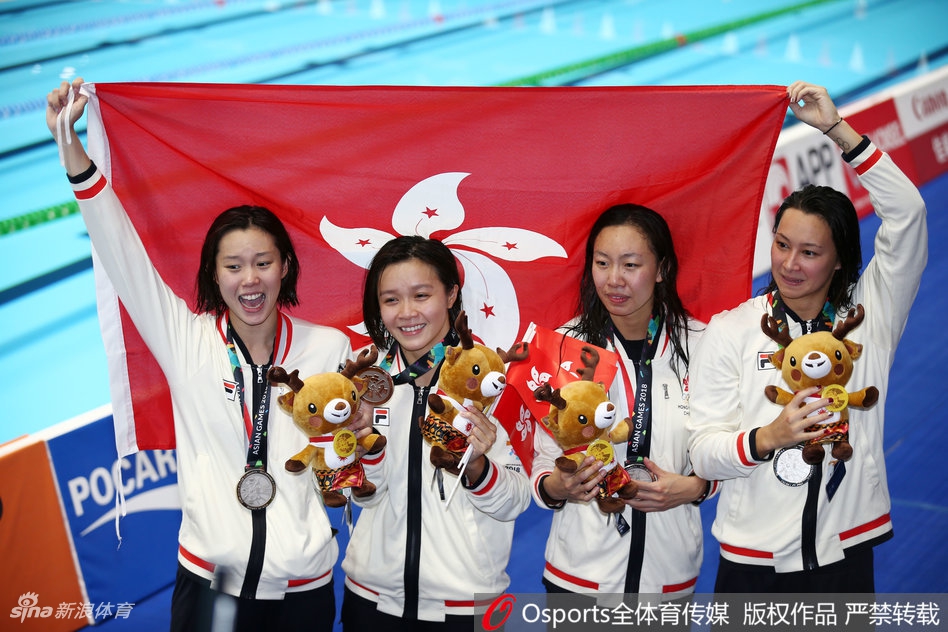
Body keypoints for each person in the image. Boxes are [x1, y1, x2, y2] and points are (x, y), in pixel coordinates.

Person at [47, 79, 358, 631]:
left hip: (304, 590)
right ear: (214, 276)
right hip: (213, 586)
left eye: (263, 262)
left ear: (286, 266)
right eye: (233, 266)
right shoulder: (186, 339)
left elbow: (343, 455)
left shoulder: (327, 348)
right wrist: (71, 149)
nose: (250, 279)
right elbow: (123, 253)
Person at [687, 81, 928, 593]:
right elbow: (703, 451)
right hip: (752, 563)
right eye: (781, 245)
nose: (789, 265)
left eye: (810, 253)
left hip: (846, 555)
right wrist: (767, 438)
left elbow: (908, 214)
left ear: (839, 258)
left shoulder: (870, 314)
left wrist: (837, 131)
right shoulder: (732, 329)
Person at [340, 235, 531, 630]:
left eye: (421, 295)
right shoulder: (367, 386)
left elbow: (515, 501)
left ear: (451, 294)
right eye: (391, 300)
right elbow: (363, 497)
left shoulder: (495, 381)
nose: (406, 313)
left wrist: (477, 468)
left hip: (464, 608)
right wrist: (366, 445)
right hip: (372, 603)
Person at [531, 204, 714, 602]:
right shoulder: (566, 348)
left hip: (669, 576)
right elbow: (543, 462)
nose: (614, 280)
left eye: (631, 265)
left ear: (662, 269)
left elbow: (720, 449)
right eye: (602, 263)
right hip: (579, 579)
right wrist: (559, 487)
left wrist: (696, 487)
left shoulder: (704, 345)